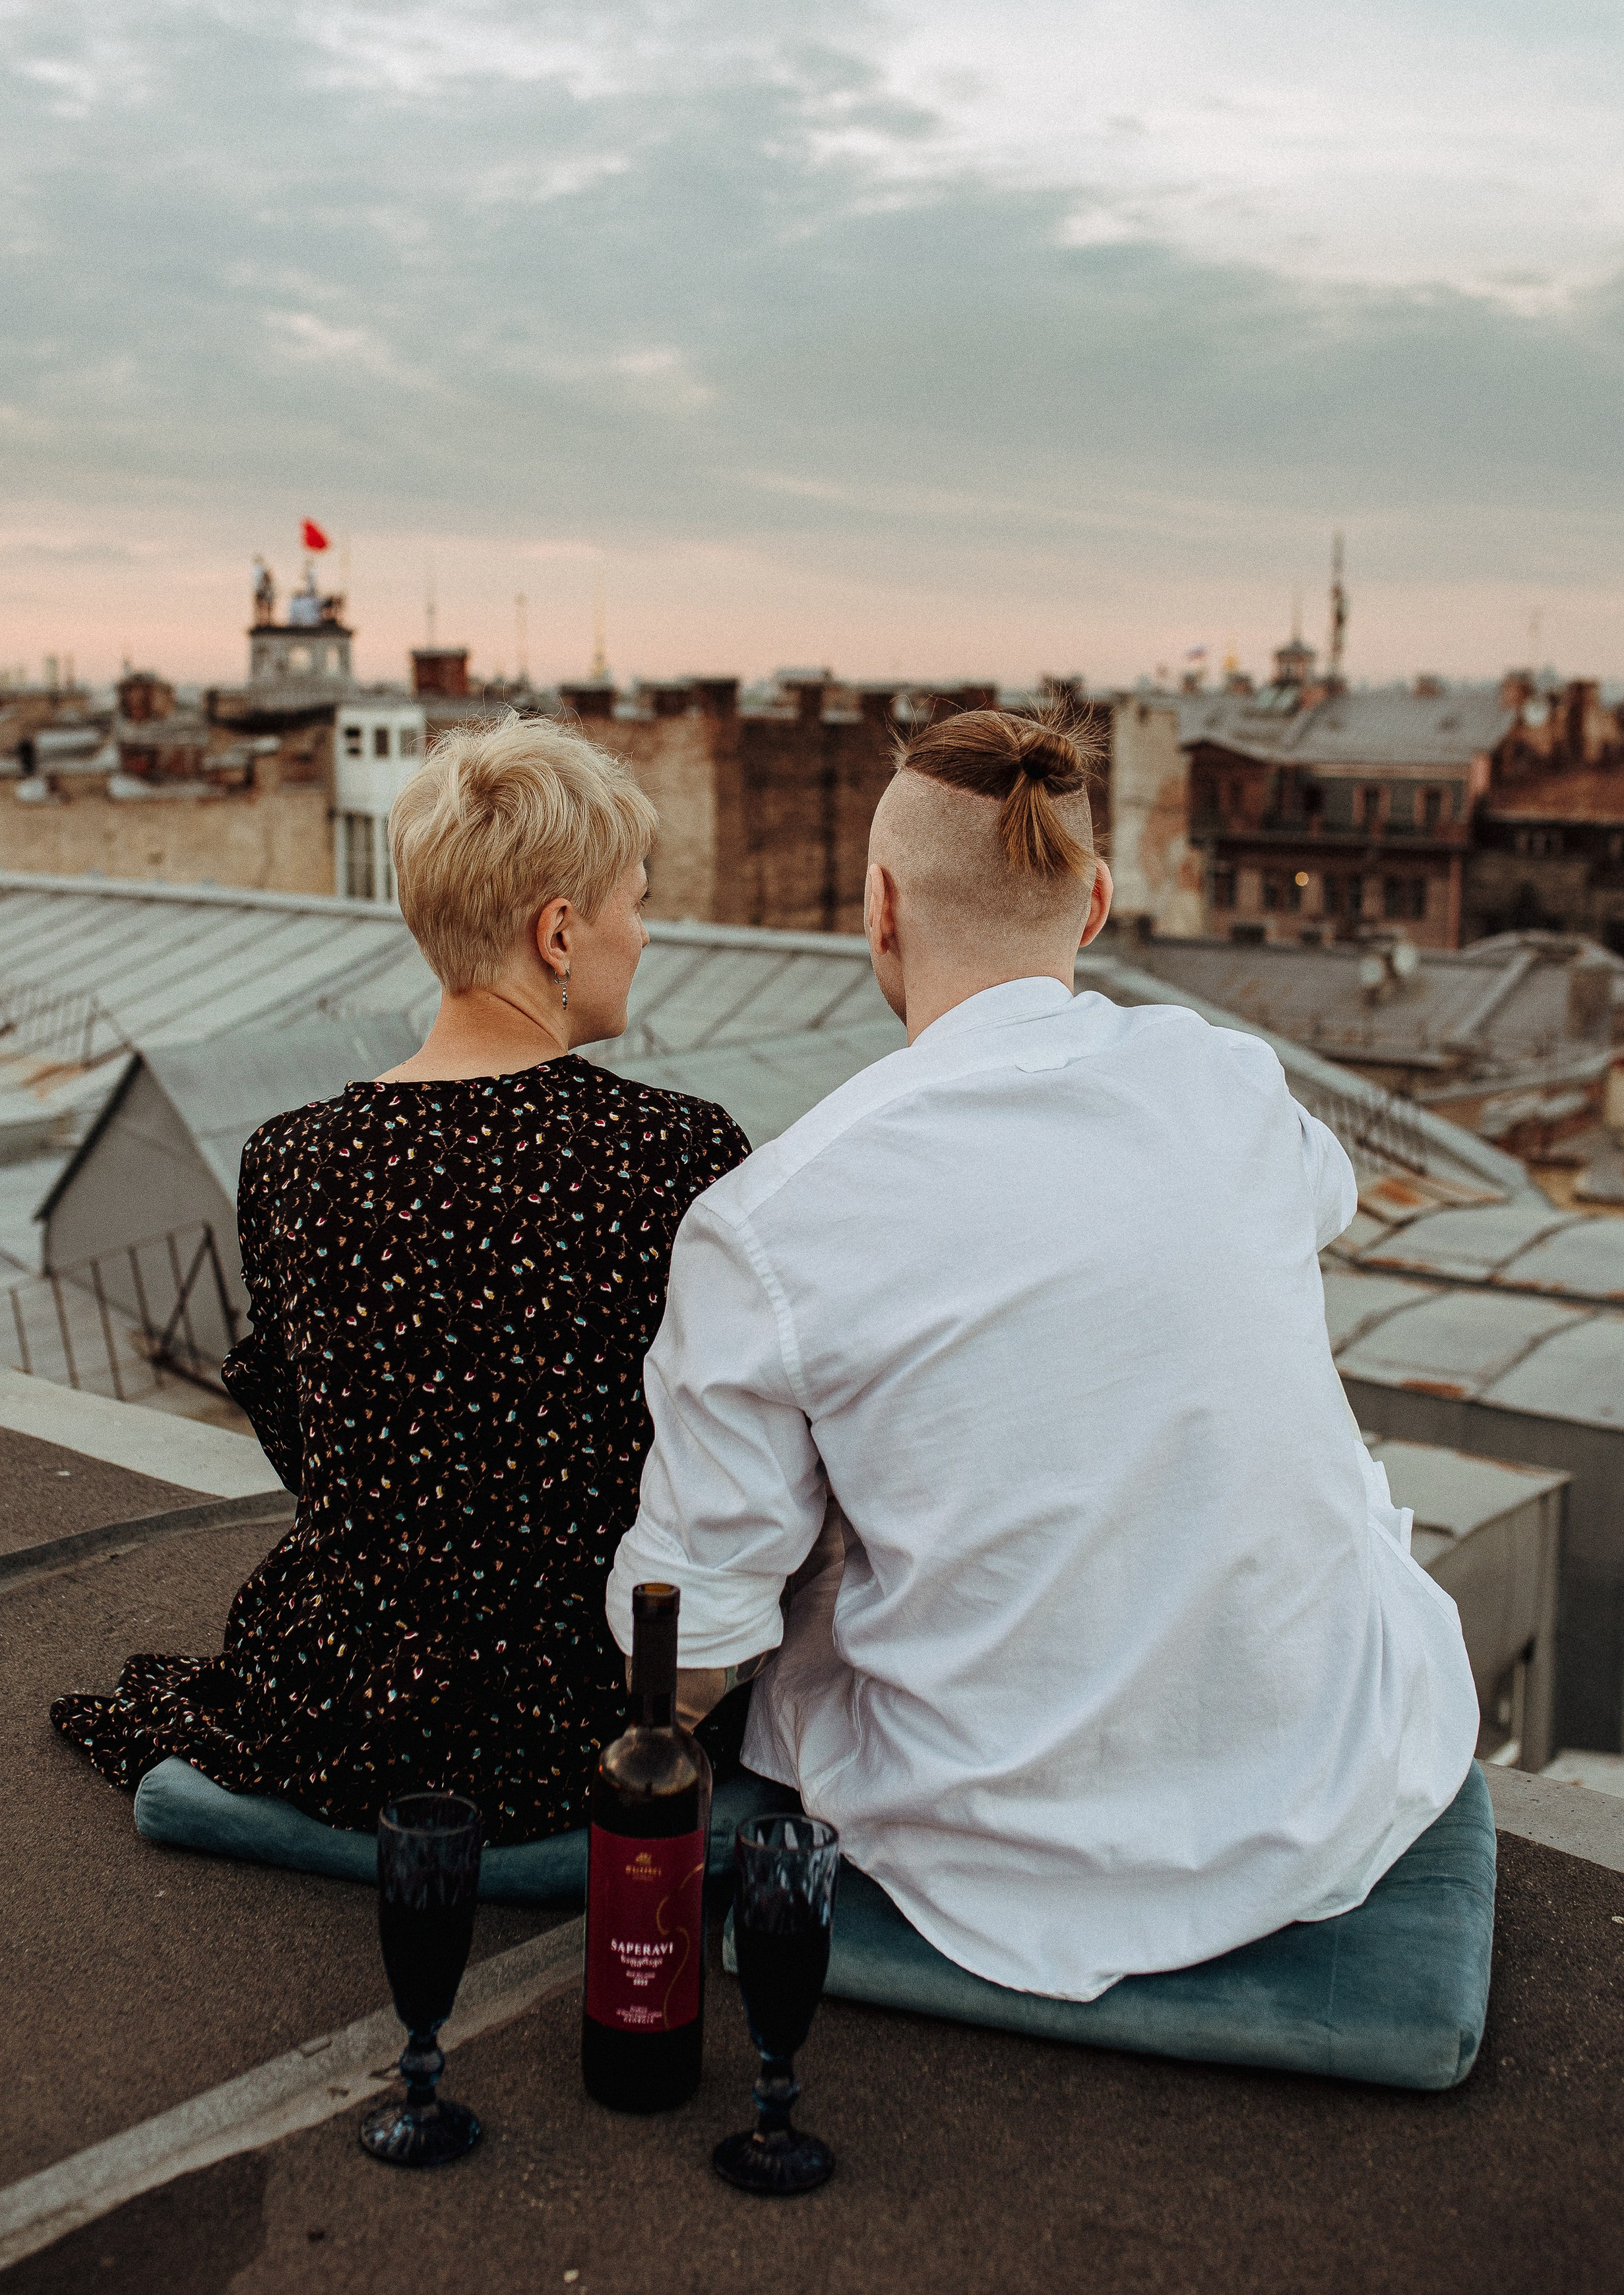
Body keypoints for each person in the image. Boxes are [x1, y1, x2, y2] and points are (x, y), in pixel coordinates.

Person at [608, 706, 1480, 2006]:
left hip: (993, 1865)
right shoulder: (1228, 1082)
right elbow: (1323, 1200)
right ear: (1094, 905)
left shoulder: (773, 1218)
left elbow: (687, 1636)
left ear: (880, 911)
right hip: (1336, 1784)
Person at [52, 716, 747, 1843]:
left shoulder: (288, 1159)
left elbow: (309, 1447)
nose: (650, 932)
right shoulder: (675, 1150)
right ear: (559, 933)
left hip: (343, 1704)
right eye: (638, 900)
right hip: (585, 1714)